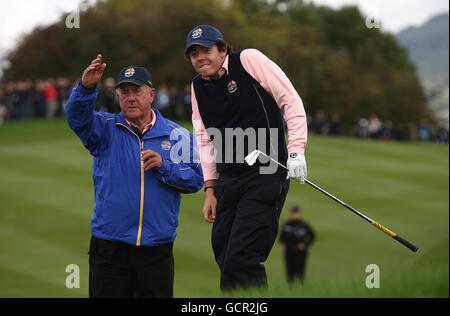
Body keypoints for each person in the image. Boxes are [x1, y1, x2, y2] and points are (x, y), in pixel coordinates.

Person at [66, 54, 203, 298]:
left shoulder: (176, 134)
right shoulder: (105, 128)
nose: (130, 97)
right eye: (124, 92)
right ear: (118, 96)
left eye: (136, 91)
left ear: (151, 94)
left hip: (156, 250)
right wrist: (86, 88)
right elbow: (76, 118)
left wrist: (165, 166)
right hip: (109, 247)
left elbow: (195, 180)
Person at [185, 25, 308, 291]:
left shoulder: (249, 60)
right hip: (228, 178)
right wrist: (210, 189)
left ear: (222, 48)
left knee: (243, 257)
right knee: (225, 254)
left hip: (266, 170)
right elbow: (205, 138)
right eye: (193, 54)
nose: (200, 58)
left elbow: (291, 101)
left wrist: (296, 150)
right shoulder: (197, 87)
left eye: (205, 50)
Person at [280, 205, 315, 283]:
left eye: (296, 213)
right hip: (289, 251)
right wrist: (282, 244)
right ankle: (291, 289)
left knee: (300, 272)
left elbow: (312, 236)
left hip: (300, 252)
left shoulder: (304, 225)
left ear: (298, 213)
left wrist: (305, 245)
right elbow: (281, 237)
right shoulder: (287, 224)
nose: (294, 215)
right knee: (290, 272)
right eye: (293, 213)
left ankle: (301, 288)